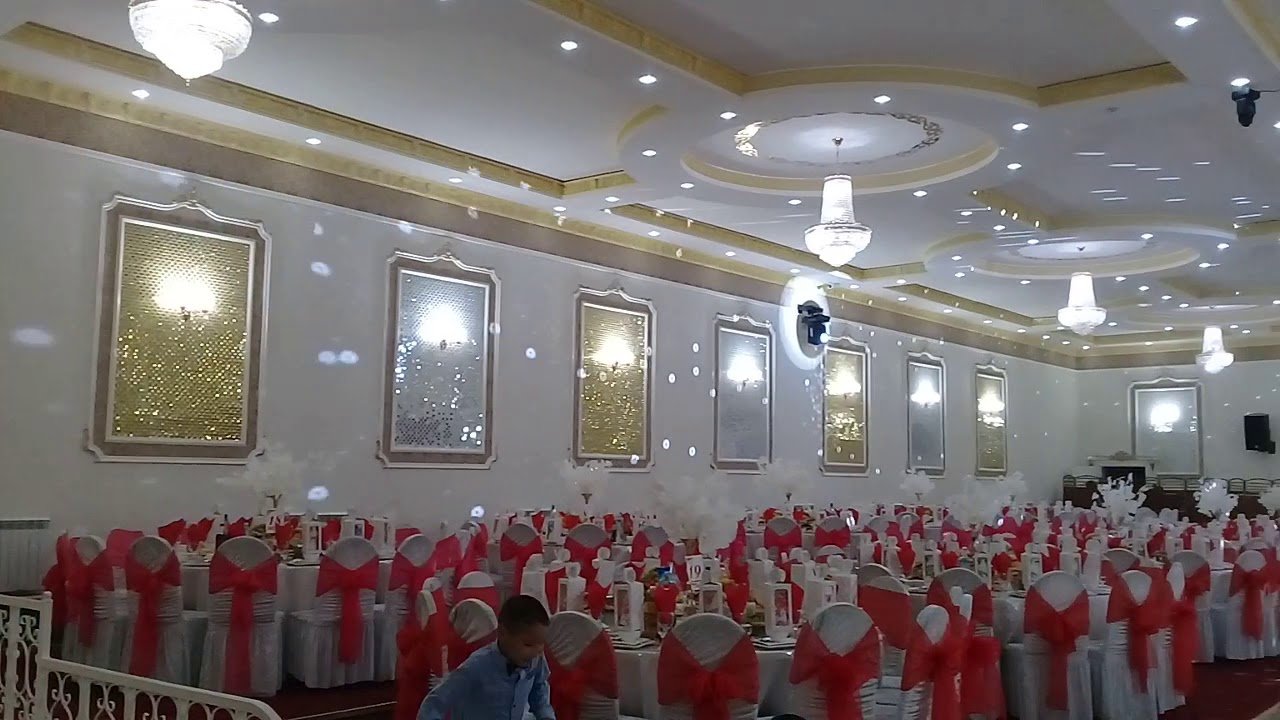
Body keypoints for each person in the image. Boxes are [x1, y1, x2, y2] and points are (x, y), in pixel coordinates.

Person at [417, 594, 555, 720]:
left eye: (541, 644)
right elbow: (434, 703)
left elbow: (539, 690)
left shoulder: (536, 659)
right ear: (502, 632)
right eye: (528, 644)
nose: (536, 652)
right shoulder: (476, 666)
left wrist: (546, 716)